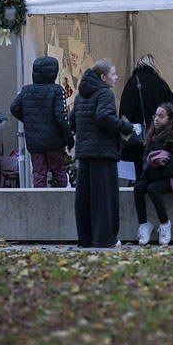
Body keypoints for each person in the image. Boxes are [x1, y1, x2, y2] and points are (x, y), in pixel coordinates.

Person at [70, 58, 133, 248]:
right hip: (102, 151)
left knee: (85, 198)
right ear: (103, 77)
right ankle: (106, 239)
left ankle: (85, 238)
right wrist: (126, 126)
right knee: (104, 199)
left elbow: (72, 122)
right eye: (113, 74)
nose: (116, 77)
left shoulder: (81, 96)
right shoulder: (104, 93)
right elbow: (104, 117)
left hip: (85, 152)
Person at [10, 56, 73, 188]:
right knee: (60, 174)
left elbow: (14, 108)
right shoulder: (57, 90)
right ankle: (65, 205)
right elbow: (61, 117)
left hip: (35, 142)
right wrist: (69, 136)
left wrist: (28, 120)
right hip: (54, 141)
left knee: (38, 175)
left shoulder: (26, 90)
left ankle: (39, 205)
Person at [134, 103, 173, 247]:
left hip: (172, 177)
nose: (156, 119)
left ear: (171, 119)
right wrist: (148, 171)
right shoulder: (153, 135)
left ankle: (165, 224)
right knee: (138, 188)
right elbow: (146, 156)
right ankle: (144, 224)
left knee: (154, 189)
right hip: (153, 174)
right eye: (155, 116)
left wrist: (160, 174)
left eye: (161, 116)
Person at [119, 54, 173, 183]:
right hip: (161, 137)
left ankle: (142, 200)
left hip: (140, 139)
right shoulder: (163, 84)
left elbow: (125, 112)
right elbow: (172, 111)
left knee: (141, 174)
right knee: (159, 172)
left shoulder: (134, 82)